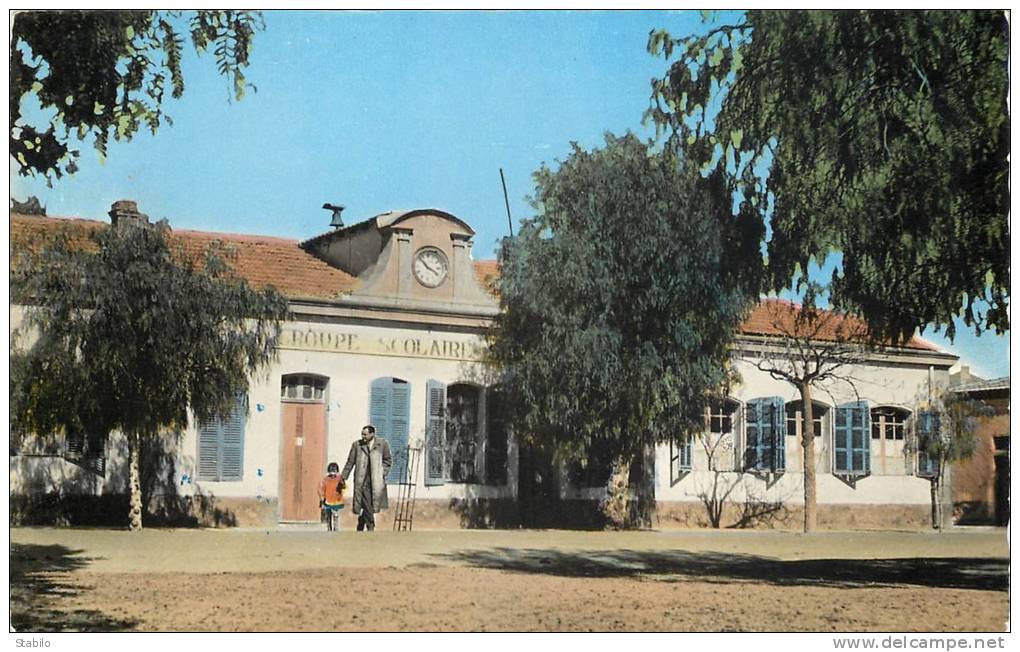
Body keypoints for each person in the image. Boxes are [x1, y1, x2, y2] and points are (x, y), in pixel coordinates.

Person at [341, 425, 392, 531]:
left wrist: (382, 473)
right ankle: (371, 526)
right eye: (362, 434)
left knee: (369, 503)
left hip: (375, 480)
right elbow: (350, 462)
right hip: (361, 479)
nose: (363, 436)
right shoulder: (357, 445)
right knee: (367, 501)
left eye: (365, 434)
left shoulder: (382, 444)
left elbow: (387, 461)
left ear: (372, 434)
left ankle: (362, 521)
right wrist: (344, 476)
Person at [318, 462, 346, 531]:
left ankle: (336, 528)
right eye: (331, 471)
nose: (333, 473)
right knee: (328, 515)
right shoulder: (325, 479)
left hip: (336, 501)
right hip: (327, 501)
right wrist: (322, 499)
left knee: (335, 515)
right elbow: (321, 489)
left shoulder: (339, 479)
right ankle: (329, 528)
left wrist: (342, 483)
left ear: (337, 471)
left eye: (334, 471)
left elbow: (343, 487)